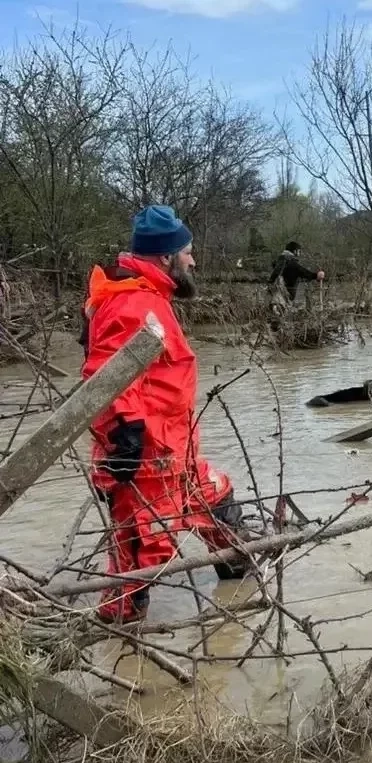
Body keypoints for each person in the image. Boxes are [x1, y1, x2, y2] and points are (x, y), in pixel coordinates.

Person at [81, 205, 249, 624]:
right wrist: (128, 430)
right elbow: (107, 371)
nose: (193, 260)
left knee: (220, 504)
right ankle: (117, 644)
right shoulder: (134, 303)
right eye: (187, 252)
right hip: (147, 461)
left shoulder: (149, 298)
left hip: (176, 455)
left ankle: (242, 592)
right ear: (165, 257)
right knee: (141, 562)